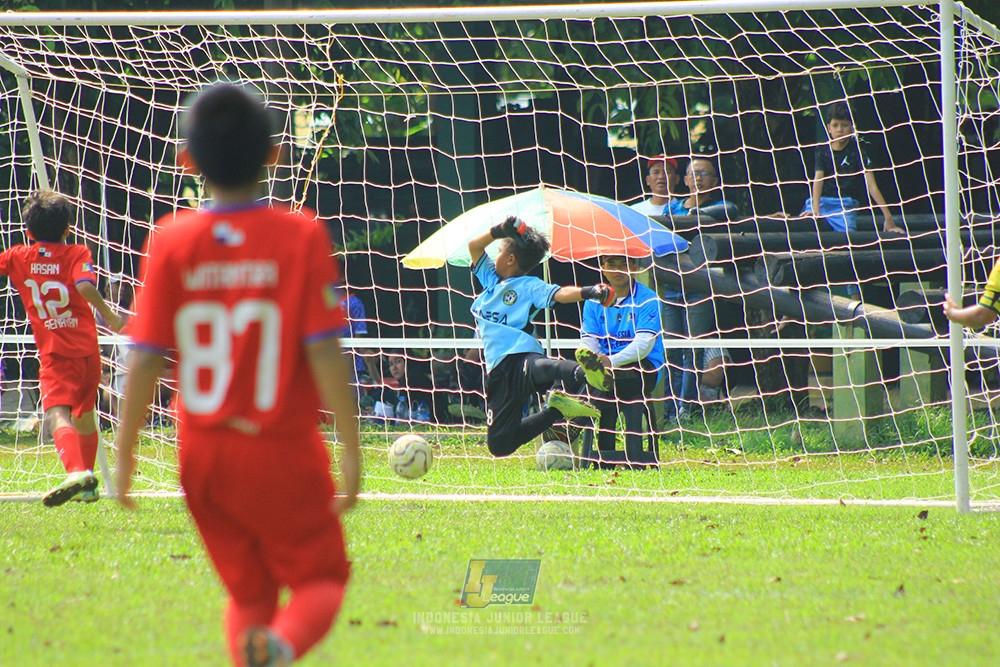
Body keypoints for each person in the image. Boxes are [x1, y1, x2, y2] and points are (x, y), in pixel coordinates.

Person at [114, 84, 361, 667]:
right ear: (274, 156)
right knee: (320, 580)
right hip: (280, 450)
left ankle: (257, 650)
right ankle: (281, 647)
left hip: (202, 455)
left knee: (249, 592)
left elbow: (145, 357)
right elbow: (325, 352)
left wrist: (124, 456)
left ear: (187, 163)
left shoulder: (169, 240)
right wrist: (351, 450)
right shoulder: (299, 234)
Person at [0, 190, 125, 506]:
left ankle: (75, 472)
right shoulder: (78, 253)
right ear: (68, 228)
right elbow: (84, 284)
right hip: (88, 352)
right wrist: (109, 315)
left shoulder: (17, 256)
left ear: (28, 231)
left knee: (56, 414)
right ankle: (88, 485)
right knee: (84, 415)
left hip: (56, 354)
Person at [468, 215, 616, 457]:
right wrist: (500, 230)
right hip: (498, 371)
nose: (494, 256)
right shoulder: (490, 280)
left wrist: (590, 292)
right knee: (499, 446)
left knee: (542, 367)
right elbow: (474, 246)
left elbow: (560, 293)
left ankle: (587, 373)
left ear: (510, 259)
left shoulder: (529, 285)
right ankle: (555, 411)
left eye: (499, 251)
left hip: (522, 354)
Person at [579, 255, 665, 459]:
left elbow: (644, 346)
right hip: (606, 367)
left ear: (634, 267)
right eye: (611, 264)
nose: (617, 271)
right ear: (603, 268)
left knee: (605, 383)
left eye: (624, 265)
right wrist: (593, 356)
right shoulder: (593, 299)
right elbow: (589, 338)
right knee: (582, 376)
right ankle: (603, 457)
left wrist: (610, 362)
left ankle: (574, 423)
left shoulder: (648, 299)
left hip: (643, 368)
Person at [803, 101, 902, 235]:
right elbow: (818, 179)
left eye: (844, 125)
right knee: (803, 223)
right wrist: (815, 209)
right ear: (828, 128)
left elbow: (872, 186)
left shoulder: (858, 152)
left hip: (845, 205)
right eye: (835, 125)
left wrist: (888, 216)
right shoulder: (822, 150)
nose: (839, 130)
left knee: (848, 236)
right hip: (821, 202)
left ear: (852, 128)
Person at [669, 156, 738, 221]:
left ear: (714, 181)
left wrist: (696, 212)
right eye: (694, 174)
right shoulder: (673, 208)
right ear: (685, 180)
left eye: (705, 174)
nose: (698, 178)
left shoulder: (720, 206)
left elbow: (731, 209)